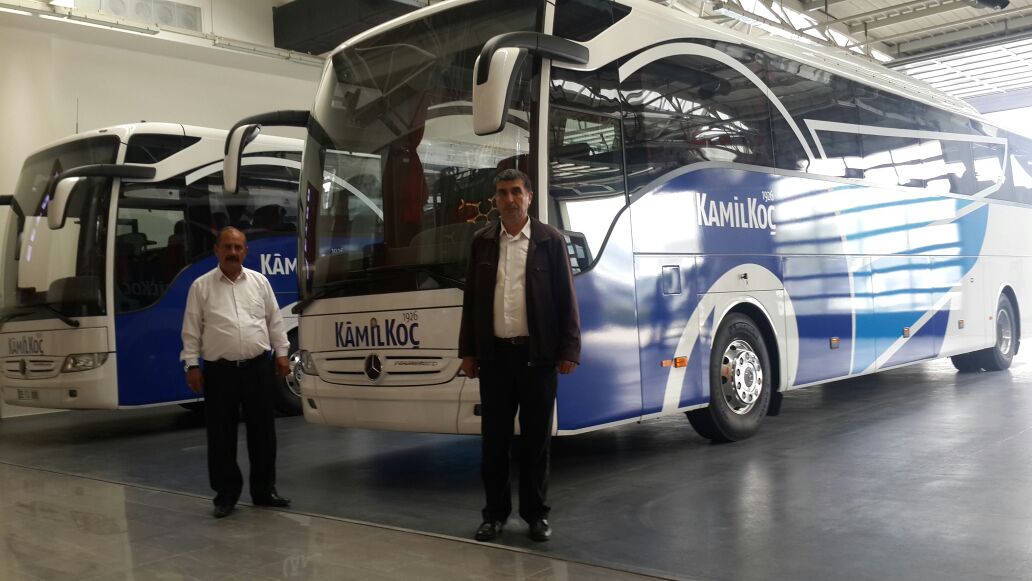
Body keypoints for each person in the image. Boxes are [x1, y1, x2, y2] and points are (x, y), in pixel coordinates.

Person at [459, 168, 581, 543]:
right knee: (493, 442)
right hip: (494, 358)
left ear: (529, 196)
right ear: (495, 199)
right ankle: (494, 515)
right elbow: (471, 300)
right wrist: (468, 352)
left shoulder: (550, 240)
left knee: (535, 442)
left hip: (537, 358)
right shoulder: (482, 242)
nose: (509, 199)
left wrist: (569, 348)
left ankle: (536, 516)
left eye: (516, 192)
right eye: (502, 193)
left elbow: (566, 298)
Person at [180, 226, 292, 519]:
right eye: (227, 247)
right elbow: (191, 330)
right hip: (220, 372)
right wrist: (192, 365)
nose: (233, 252)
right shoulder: (201, 287)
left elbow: (275, 320)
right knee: (221, 436)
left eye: (238, 247)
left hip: (258, 367)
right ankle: (226, 495)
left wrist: (282, 353)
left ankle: (264, 492)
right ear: (217, 250)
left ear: (245, 251)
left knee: (263, 434)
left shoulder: (259, 282)